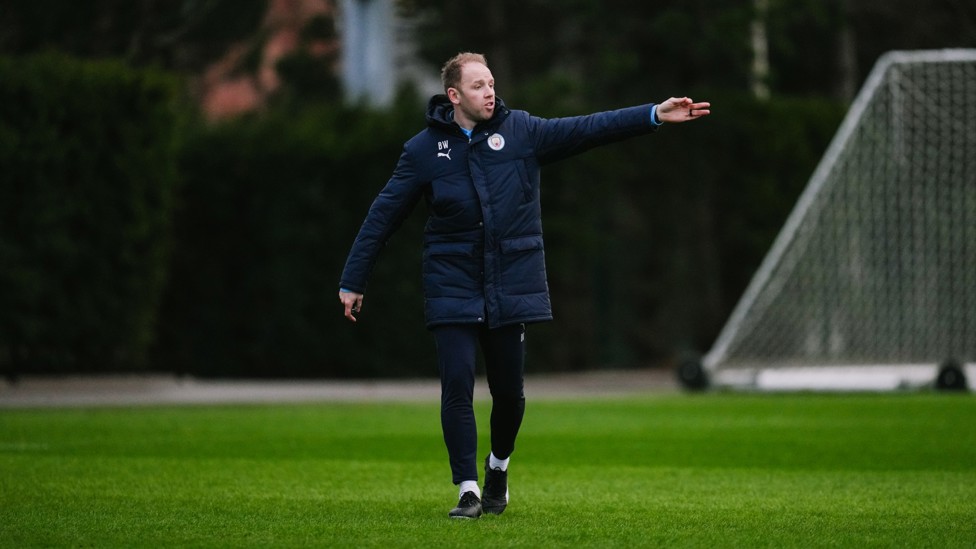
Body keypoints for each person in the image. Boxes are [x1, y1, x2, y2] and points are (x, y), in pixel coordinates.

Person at [339, 52, 710, 519]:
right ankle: (468, 490)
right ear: (453, 96)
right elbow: (382, 216)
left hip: (511, 280)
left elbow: (589, 127)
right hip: (452, 283)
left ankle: (498, 467)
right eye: (478, 86)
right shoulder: (421, 151)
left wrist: (653, 114)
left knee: (509, 394)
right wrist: (354, 280)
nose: (489, 91)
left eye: (491, 82)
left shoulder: (523, 132)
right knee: (456, 385)